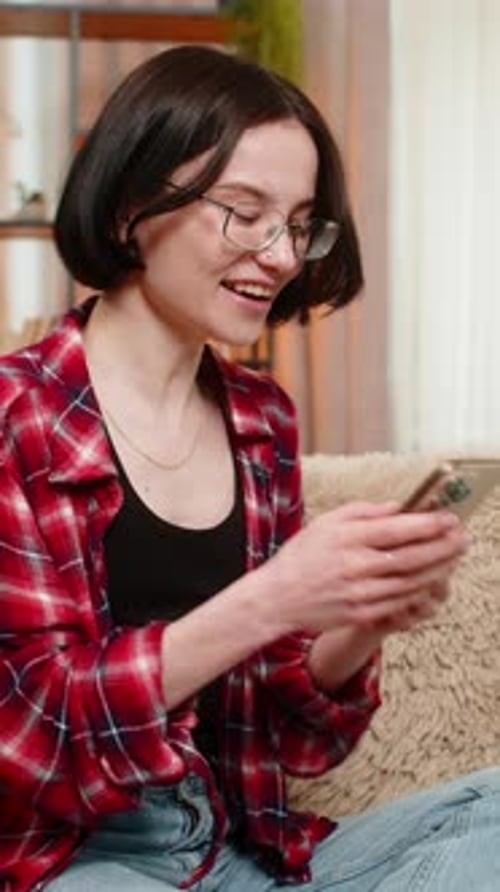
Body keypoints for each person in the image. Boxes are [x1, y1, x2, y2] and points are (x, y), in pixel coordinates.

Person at [0, 44, 499, 892]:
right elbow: (34, 744)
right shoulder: (19, 416)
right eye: (243, 211)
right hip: (78, 859)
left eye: (300, 225)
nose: (281, 255)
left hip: (239, 844)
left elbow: (291, 740)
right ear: (130, 207)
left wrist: (360, 620)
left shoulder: (262, 421)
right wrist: (269, 597)